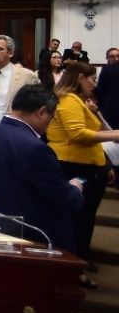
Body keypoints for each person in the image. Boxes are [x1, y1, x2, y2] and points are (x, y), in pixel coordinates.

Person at [0, 85, 84, 254]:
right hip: (39, 237)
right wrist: (76, 187)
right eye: (51, 117)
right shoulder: (36, 148)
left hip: (2, 228)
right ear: (41, 112)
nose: (50, 123)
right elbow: (66, 200)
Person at [48, 63, 119, 289]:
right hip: (73, 165)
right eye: (92, 79)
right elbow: (77, 134)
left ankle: (78, 264)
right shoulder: (68, 99)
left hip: (87, 164)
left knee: (84, 220)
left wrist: (104, 164)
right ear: (80, 77)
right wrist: (114, 134)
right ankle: (73, 269)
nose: (94, 84)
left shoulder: (77, 100)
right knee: (79, 221)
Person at [97, 52, 119, 129]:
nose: (116, 59)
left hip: (109, 109)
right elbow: (100, 91)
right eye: (112, 56)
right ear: (107, 58)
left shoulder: (105, 69)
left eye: (118, 56)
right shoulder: (106, 69)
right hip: (111, 110)